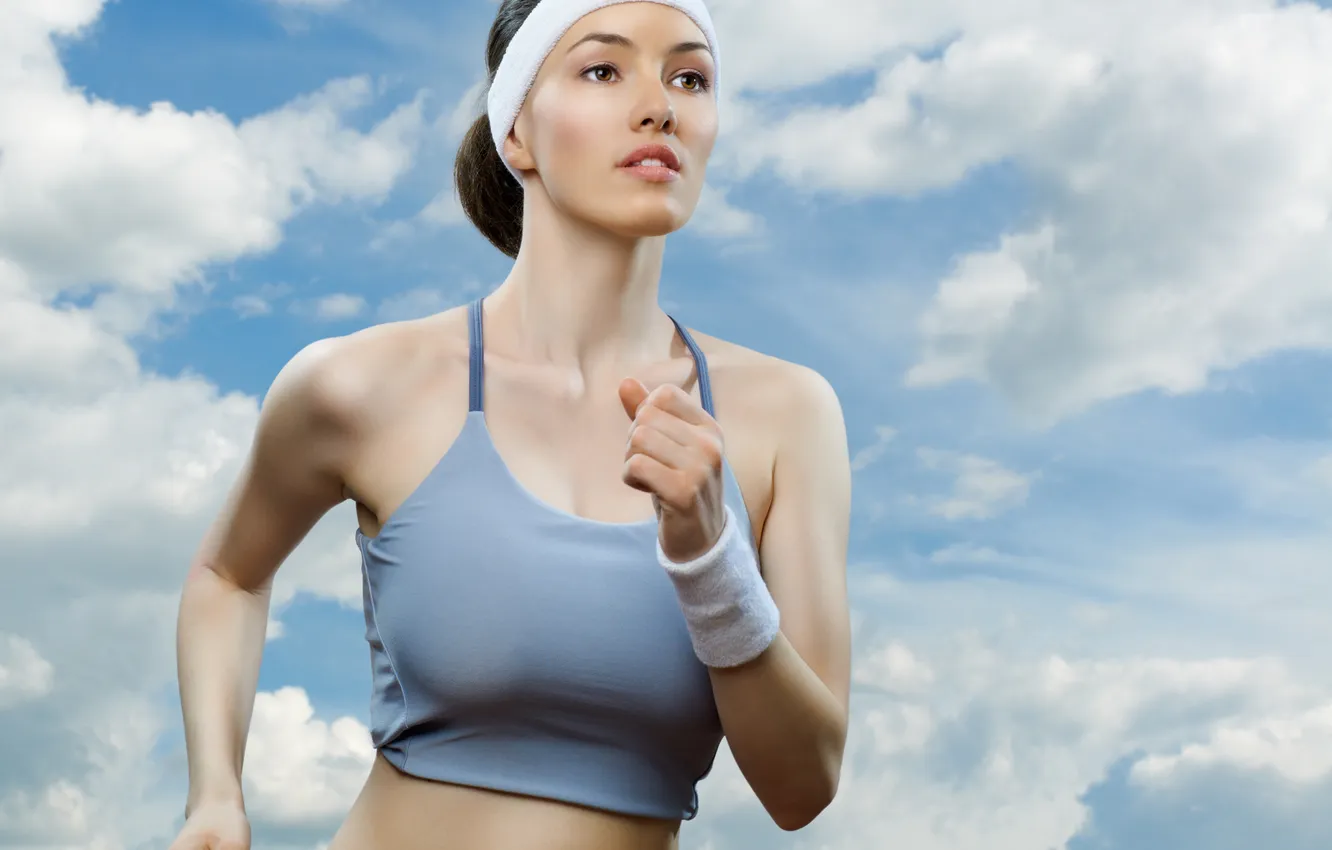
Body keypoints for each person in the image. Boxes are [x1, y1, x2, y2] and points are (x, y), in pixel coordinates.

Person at [169, 0, 852, 848]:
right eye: (604, 70)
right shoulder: (362, 385)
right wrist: (215, 797)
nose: (659, 105)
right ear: (516, 132)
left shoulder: (786, 416)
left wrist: (713, 564)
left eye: (689, 76)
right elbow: (227, 576)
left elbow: (804, 787)